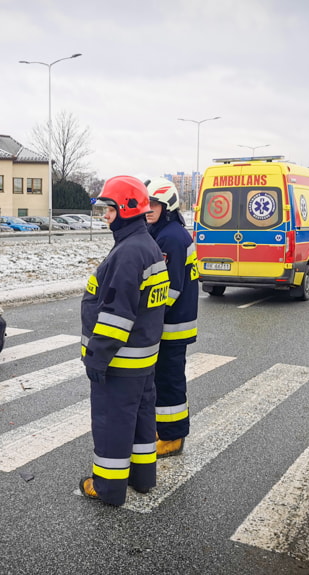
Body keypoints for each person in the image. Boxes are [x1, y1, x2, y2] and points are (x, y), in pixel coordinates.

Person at [79, 176, 170, 506]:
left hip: (120, 361)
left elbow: (118, 315)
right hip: (143, 359)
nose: (106, 216)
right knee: (141, 419)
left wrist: (97, 357)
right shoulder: (146, 245)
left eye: (110, 209)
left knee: (112, 425)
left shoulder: (129, 252)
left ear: (128, 209)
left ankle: (108, 489)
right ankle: (143, 478)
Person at [144, 178, 198, 457]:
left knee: (169, 381)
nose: (149, 208)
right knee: (162, 380)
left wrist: (148, 318)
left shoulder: (171, 237)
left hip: (172, 326)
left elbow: (170, 288)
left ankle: (173, 437)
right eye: (147, 203)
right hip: (171, 324)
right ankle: (164, 429)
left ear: (167, 207)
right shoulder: (165, 231)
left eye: (155, 204)